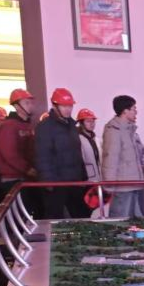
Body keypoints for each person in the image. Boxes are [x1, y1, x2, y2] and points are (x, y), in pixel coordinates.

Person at [34, 88, 90, 219]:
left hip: (74, 181)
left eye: (70, 106)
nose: (68, 109)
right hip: (56, 183)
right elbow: (42, 156)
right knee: (55, 218)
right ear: (54, 106)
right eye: (64, 106)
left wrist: (83, 177)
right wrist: (48, 182)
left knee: (81, 216)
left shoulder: (72, 126)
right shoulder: (45, 127)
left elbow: (77, 153)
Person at [100, 96, 144, 219]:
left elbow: (142, 153)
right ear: (125, 111)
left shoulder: (130, 130)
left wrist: (142, 169)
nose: (136, 112)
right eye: (134, 108)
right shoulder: (114, 130)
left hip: (136, 184)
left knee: (140, 220)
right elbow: (110, 159)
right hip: (123, 187)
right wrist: (109, 184)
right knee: (121, 220)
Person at [0, 88, 41, 218]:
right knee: (19, 217)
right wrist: (28, 169)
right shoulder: (8, 126)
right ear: (16, 106)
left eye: (31, 102)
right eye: (26, 103)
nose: (30, 105)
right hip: (13, 179)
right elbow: (10, 154)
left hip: (26, 178)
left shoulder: (28, 125)